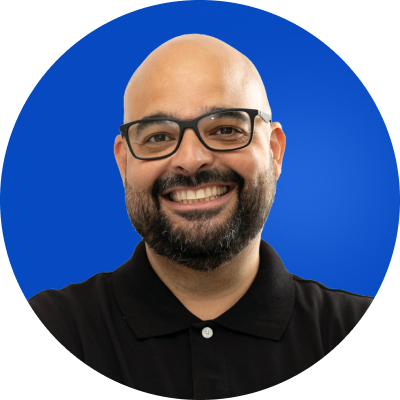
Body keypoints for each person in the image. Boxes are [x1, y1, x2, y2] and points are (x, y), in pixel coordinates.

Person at [27, 34, 374, 399]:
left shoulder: (349, 325)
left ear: (274, 151)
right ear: (124, 162)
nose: (191, 160)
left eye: (225, 130)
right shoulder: (54, 327)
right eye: (158, 136)